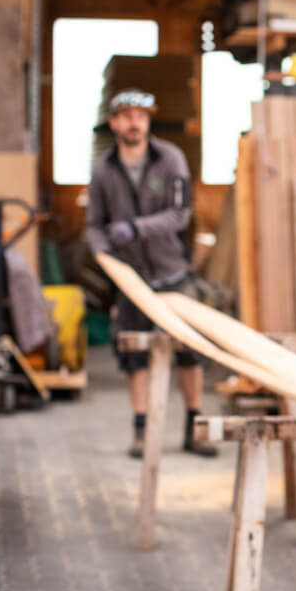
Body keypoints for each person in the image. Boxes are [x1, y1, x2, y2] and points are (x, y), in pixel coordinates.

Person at [87, 88, 218, 459]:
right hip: (131, 279)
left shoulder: (170, 159)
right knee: (134, 353)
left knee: (191, 350)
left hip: (172, 273)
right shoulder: (103, 171)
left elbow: (180, 214)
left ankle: (196, 427)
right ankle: (141, 431)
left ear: (148, 122)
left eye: (140, 116)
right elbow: (94, 224)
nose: (134, 123)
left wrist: (136, 228)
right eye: (126, 116)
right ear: (114, 123)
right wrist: (104, 255)